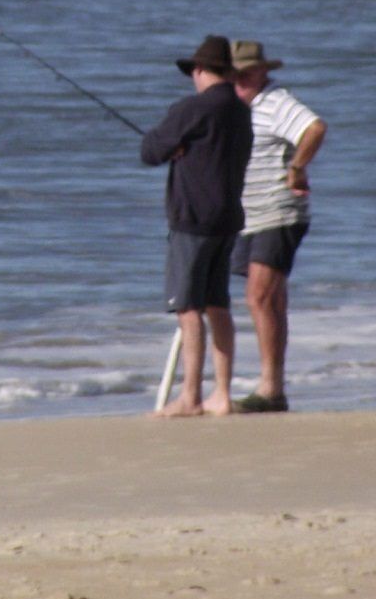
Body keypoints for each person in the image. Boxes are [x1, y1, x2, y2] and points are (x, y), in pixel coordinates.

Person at [140, 34, 253, 417]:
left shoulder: (193, 109)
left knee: (188, 309)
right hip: (228, 220)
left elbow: (149, 151)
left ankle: (190, 396)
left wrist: (172, 147)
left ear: (201, 70)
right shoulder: (240, 111)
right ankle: (221, 394)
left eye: (194, 72)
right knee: (217, 305)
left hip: (192, 220)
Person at [229, 39, 326, 413]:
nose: (240, 81)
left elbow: (315, 128)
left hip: (279, 211)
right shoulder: (241, 108)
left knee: (260, 296)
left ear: (263, 71)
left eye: (247, 73)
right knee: (270, 299)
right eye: (233, 74)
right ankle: (275, 387)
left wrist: (297, 168)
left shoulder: (275, 101)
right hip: (249, 216)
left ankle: (270, 388)